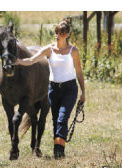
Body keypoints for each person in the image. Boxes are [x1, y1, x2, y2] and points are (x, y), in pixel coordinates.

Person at [15, 20, 86, 159]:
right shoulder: (49, 49)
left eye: (60, 32)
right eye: (56, 32)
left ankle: (59, 150)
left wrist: (83, 92)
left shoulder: (73, 51)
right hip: (53, 89)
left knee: (62, 118)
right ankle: (57, 150)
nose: (57, 35)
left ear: (66, 35)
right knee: (55, 120)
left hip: (69, 88)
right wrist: (19, 61)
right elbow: (32, 60)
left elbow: (78, 72)